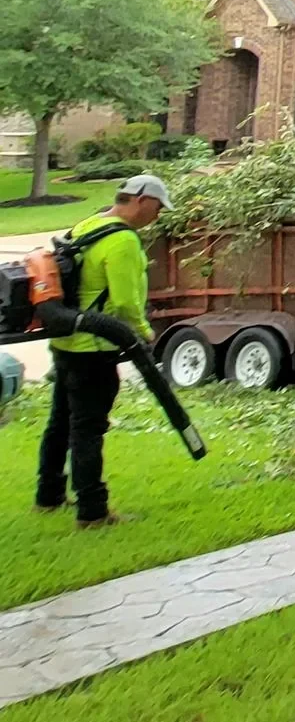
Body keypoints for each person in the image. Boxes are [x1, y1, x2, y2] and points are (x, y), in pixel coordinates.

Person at [34, 173, 172, 528]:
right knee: (88, 428)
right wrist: (144, 332)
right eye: (157, 207)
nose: (158, 215)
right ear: (140, 200)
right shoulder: (124, 241)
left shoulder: (89, 224)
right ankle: (93, 512)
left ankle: (48, 496)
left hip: (66, 340)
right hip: (95, 347)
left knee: (60, 422)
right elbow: (125, 302)